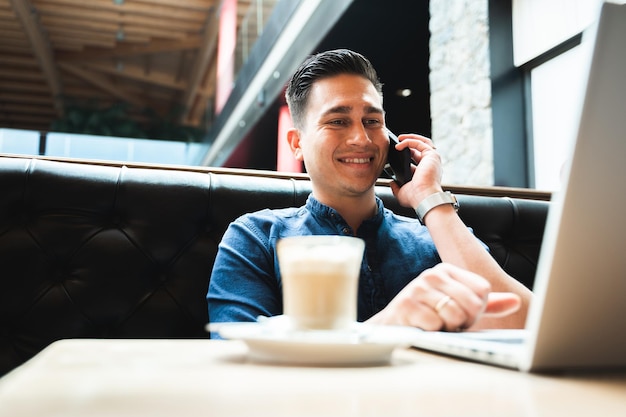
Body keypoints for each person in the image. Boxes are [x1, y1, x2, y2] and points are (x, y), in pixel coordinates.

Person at [208, 49, 532, 333]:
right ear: (297, 143)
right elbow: (237, 364)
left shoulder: (437, 239)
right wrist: (389, 327)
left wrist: (430, 198)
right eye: (337, 121)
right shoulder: (255, 238)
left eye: (372, 121)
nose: (361, 139)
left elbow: (523, 324)